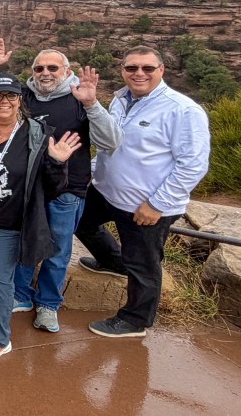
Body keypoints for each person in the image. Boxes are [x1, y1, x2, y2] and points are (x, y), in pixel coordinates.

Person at [74, 46, 209, 338]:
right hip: (107, 191)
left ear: (162, 70)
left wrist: (157, 204)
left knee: (144, 263)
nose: (139, 73)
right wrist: (91, 172)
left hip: (146, 203)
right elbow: (114, 147)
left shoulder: (183, 110)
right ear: (122, 70)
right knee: (79, 221)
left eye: (147, 68)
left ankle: (136, 320)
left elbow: (193, 165)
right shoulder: (122, 99)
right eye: (132, 67)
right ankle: (112, 261)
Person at [0, 48, 122, 332]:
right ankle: (21, 295)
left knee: (58, 249)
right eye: (39, 69)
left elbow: (111, 142)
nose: (45, 74)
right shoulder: (24, 97)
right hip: (28, 187)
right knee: (26, 242)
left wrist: (92, 105)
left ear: (66, 71)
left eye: (53, 68)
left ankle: (49, 304)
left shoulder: (79, 100)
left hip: (67, 189)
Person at [0, 73, 80, 363]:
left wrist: (58, 163)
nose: (4, 101)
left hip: (10, 219)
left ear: (20, 100)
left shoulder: (38, 134)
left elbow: (54, 187)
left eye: (11, 95)